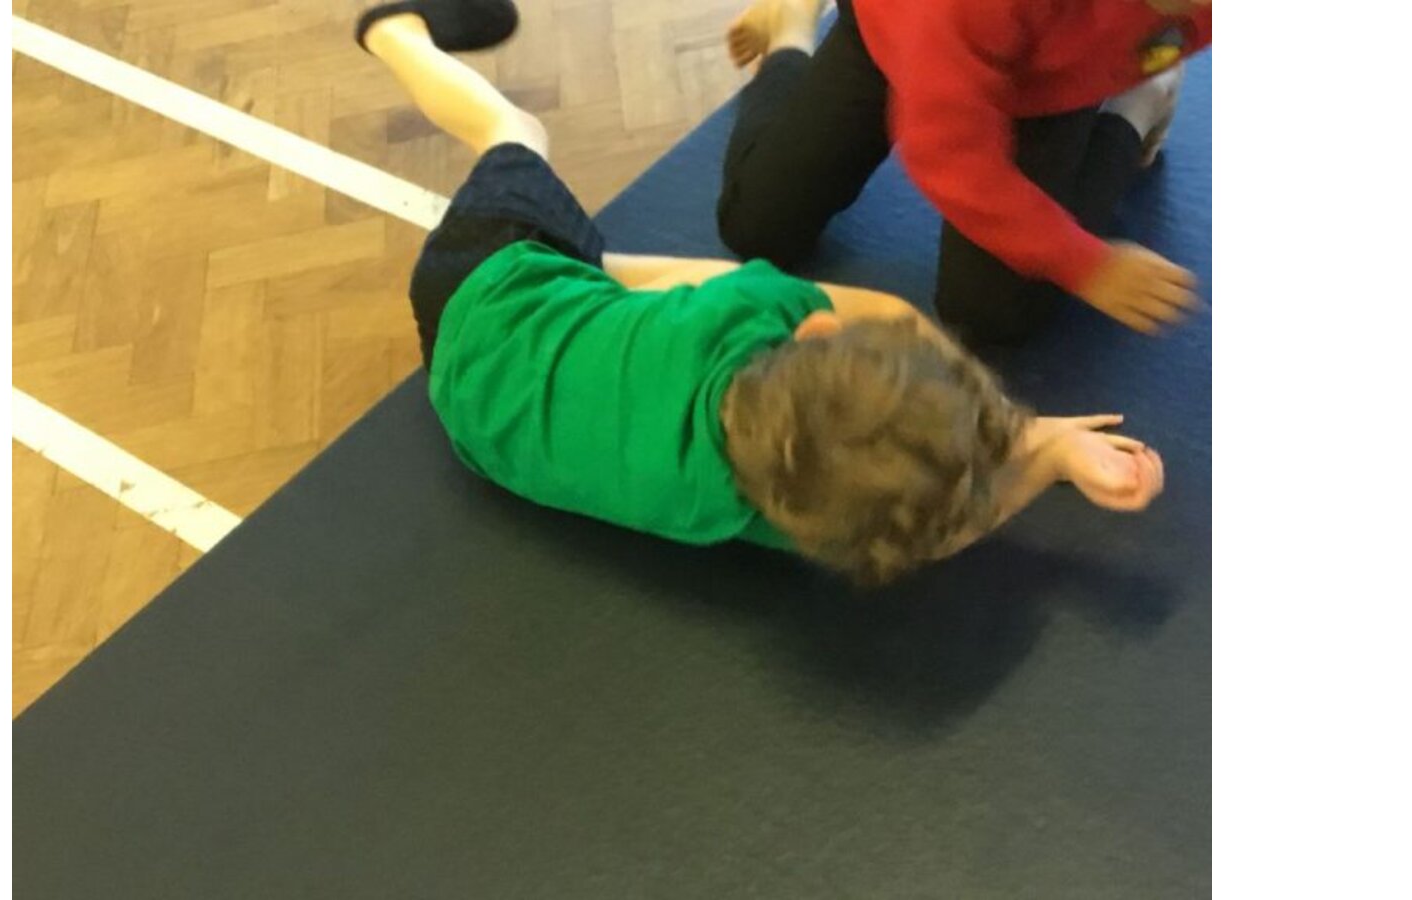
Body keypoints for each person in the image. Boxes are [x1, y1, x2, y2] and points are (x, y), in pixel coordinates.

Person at [354, 0, 1165, 585]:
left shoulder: (737, 319)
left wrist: (1030, 437)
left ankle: (399, 31)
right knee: (577, 187)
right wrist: (1046, 453)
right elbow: (938, 526)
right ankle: (396, 28)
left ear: (811, 333)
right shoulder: (787, 509)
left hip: (493, 279)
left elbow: (706, 285)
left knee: (517, 137)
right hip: (464, 400)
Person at [718, 0, 1212, 344]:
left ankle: (1134, 103)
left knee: (991, 314)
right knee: (757, 224)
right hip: (903, 29)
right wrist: (1085, 262)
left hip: (1051, 77)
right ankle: (789, 28)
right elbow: (944, 151)